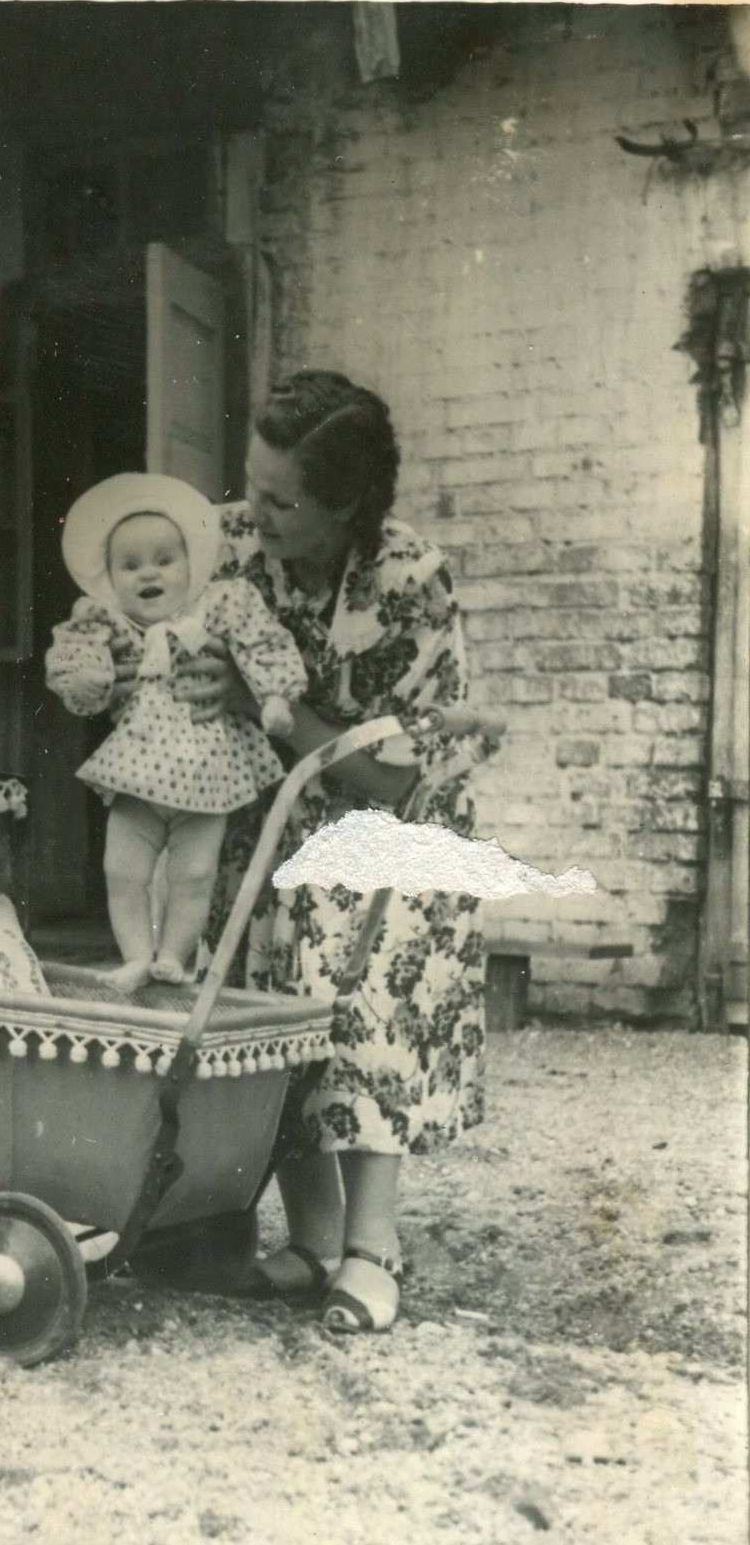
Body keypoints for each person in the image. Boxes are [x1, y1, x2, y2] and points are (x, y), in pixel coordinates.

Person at [197, 371, 487, 1335]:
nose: (257, 514)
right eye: (252, 486)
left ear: (350, 500)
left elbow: (397, 779)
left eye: (283, 500)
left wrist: (263, 709)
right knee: (248, 979)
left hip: (384, 834)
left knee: (351, 959)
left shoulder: (411, 581)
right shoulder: (228, 545)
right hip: (269, 814)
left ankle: (372, 1246)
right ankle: (313, 1236)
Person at [45, 472, 308, 995]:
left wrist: (275, 696)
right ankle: (136, 955)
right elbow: (74, 662)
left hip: (210, 776)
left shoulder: (219, 605)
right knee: (121, 868)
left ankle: (173, 955)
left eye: (165, 560)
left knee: (194, 876)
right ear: (109, 579)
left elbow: (263, 641)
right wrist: (90, 677)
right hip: (138, 775)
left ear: (192, 567)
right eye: (131, 565)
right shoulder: (110, 622)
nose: (149, 574)